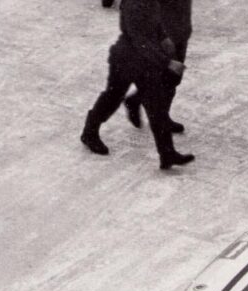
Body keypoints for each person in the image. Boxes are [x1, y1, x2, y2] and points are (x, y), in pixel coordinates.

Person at [79, 0, 195, 169]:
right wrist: (167, 63)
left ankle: (167, 154)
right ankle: (89, 132)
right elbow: (140, 41)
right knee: (112, 97)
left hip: (144, 60)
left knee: (156, 105)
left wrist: (164, 38)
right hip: (126, 60)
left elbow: (155, 23)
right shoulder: (134, 4)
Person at [124, 0, 189, 134]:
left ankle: (138, 101)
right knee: (164, 74)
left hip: (177, 25)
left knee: (173, 77)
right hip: (158, 27)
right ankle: (160, 117)